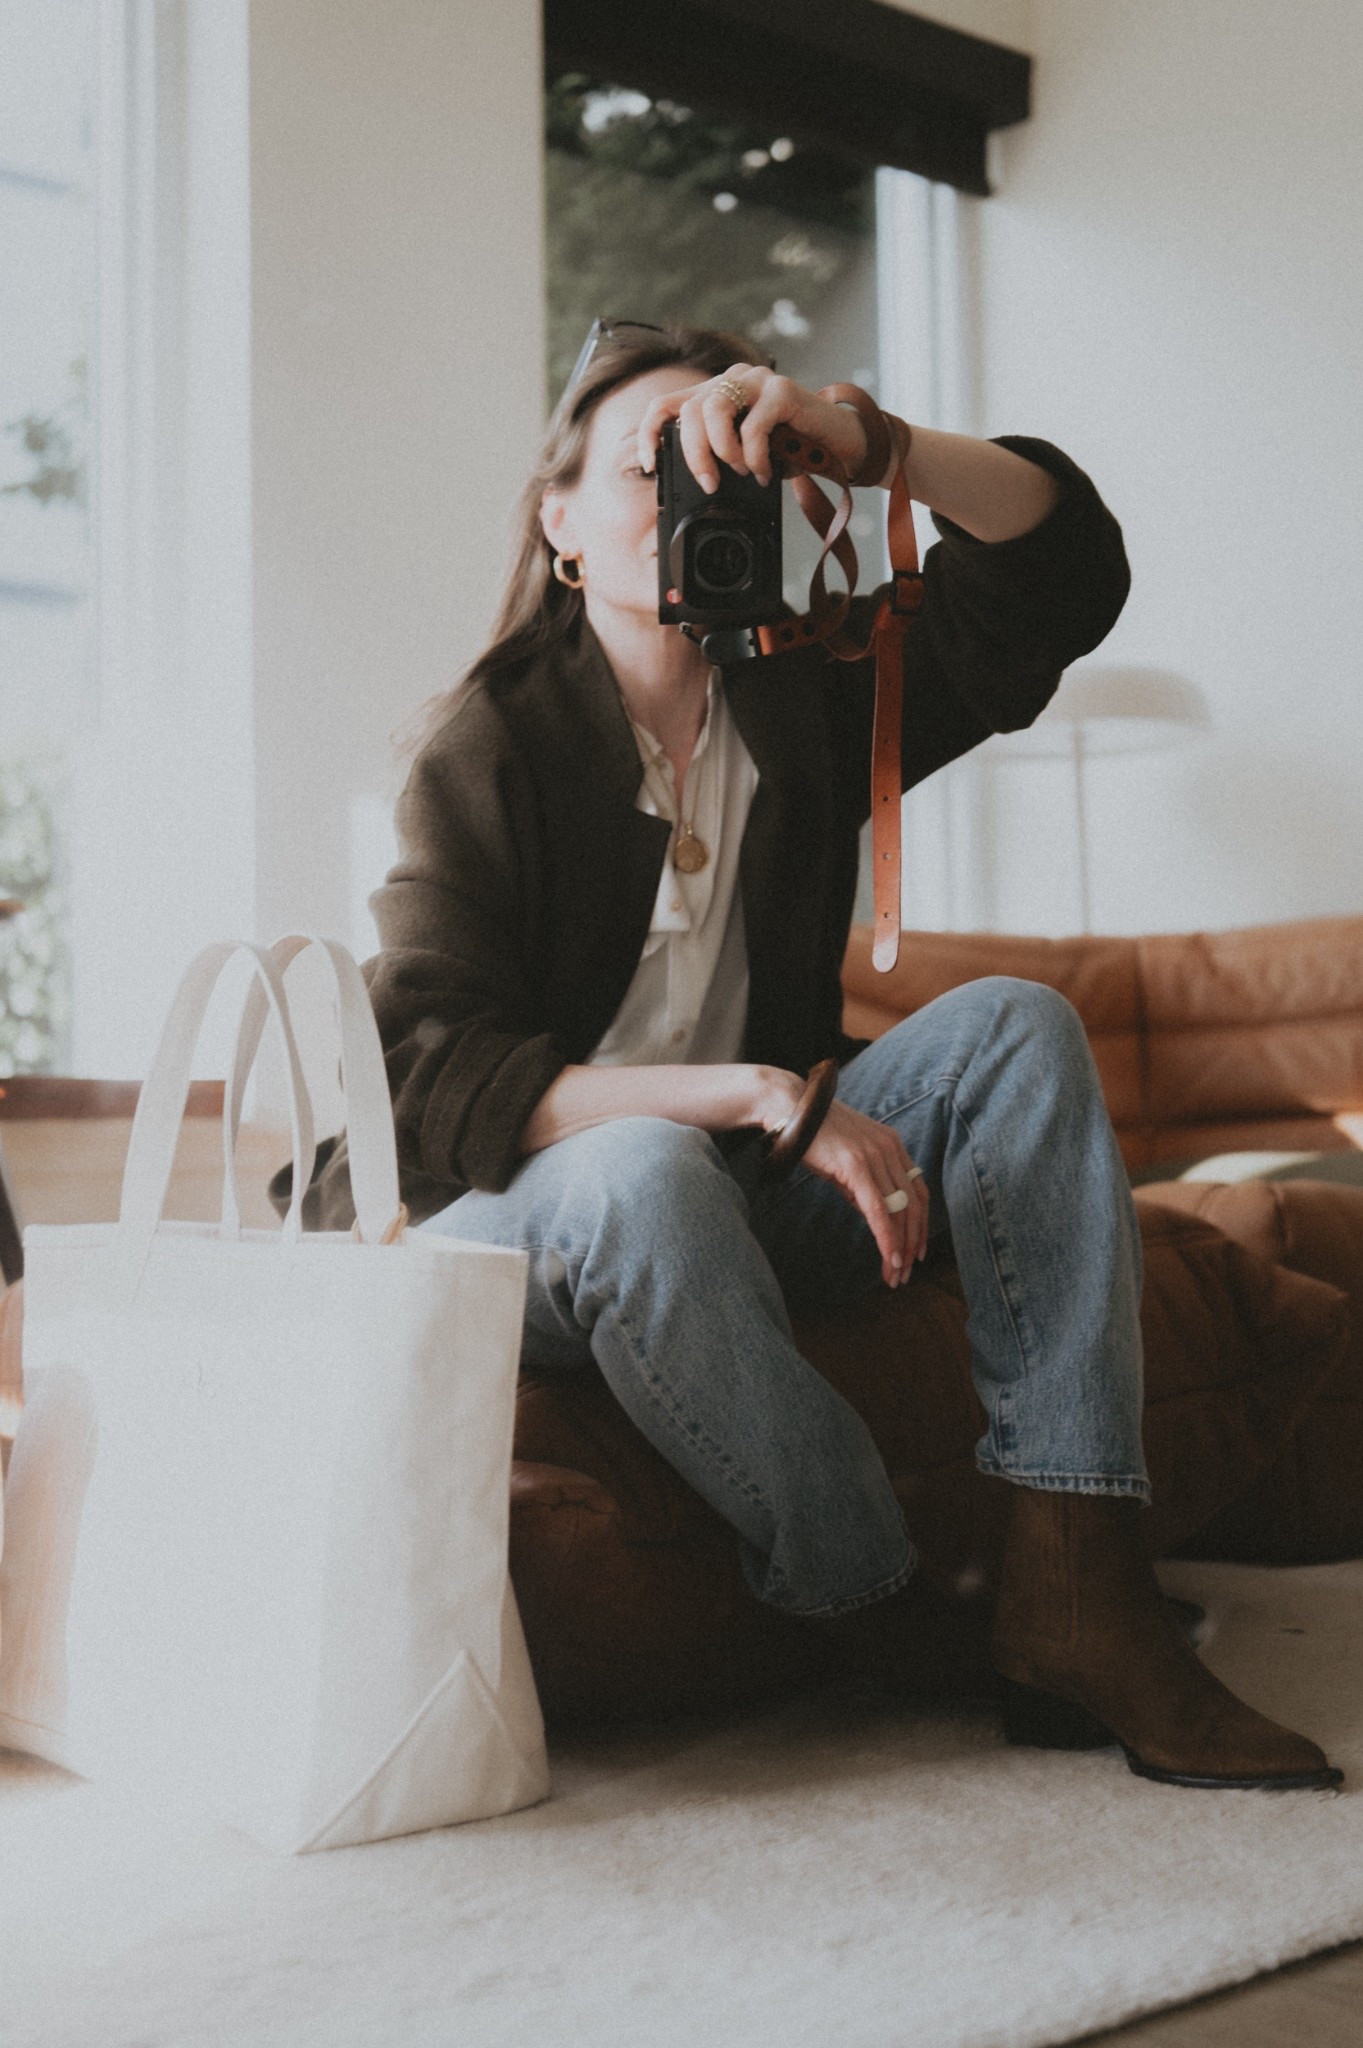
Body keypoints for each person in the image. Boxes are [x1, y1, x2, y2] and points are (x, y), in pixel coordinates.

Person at [306, 322, 1341, 1791]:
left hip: (741, 1189)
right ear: (560, 528)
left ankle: (1078, 1587)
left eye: (717, 460)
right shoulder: (485, 747)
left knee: (1018, 1030)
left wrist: (870, 446)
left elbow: (1063, 582)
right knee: (649, 1171)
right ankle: (876, 1597)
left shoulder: (796, 699)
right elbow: (425, 1069)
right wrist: (750, 1095)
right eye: (642, 464)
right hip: (511, 1218)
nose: (683, 493)